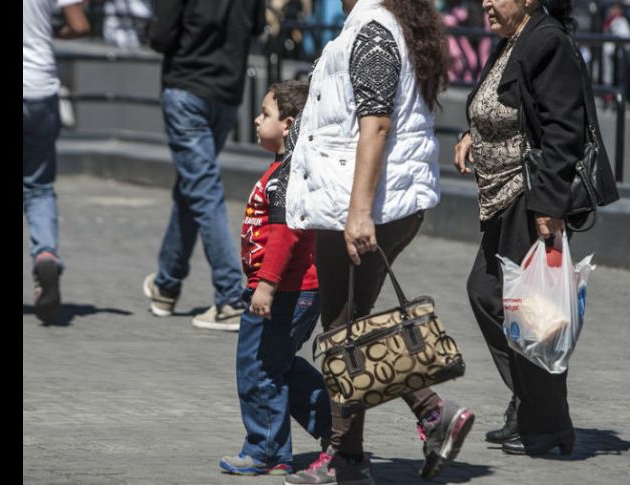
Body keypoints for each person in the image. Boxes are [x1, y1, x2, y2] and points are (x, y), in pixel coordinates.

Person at [282, 1, 474, 483]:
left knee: (342, 328)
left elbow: (377, 124)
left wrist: (359, 212)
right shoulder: (382, 25)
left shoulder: (372, 29)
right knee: (348, 324)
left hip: (365, 203)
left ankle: (384, 438)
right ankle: (362, 450)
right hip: (371, 200)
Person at [453, 0, 619, 456]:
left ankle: (547, 428)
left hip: (529, 198)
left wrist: (550, 206)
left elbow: (563, 129)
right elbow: (505, 105)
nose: (485, 2)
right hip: (501, 198)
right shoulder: (513, 40)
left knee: (530, 314)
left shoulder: (546, 42)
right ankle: (530, 407)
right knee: (487, 294)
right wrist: (473, 136)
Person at [219, 80, 331, 476]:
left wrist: (265, 284)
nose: (256, 119)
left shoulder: (287, 174)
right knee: (278, 365)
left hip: (285, 289)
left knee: (258, 367)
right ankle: (335, 428)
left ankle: (265, 449)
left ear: (287, 124)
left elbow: (286, 235)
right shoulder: (282, 169)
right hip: (285, 288)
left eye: (264, 113)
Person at [143, 0, 265, 331]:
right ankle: (166, 286)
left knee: (203, 188)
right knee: (193, 187)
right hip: (226, 93)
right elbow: (256, 27)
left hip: (187, 87)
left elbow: (161, 37)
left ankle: (228, 297)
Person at [23, 0, 90, 324]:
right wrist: (47, 32)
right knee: (38, 186)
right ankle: (45, 254)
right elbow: (79, 25)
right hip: (38, 89)